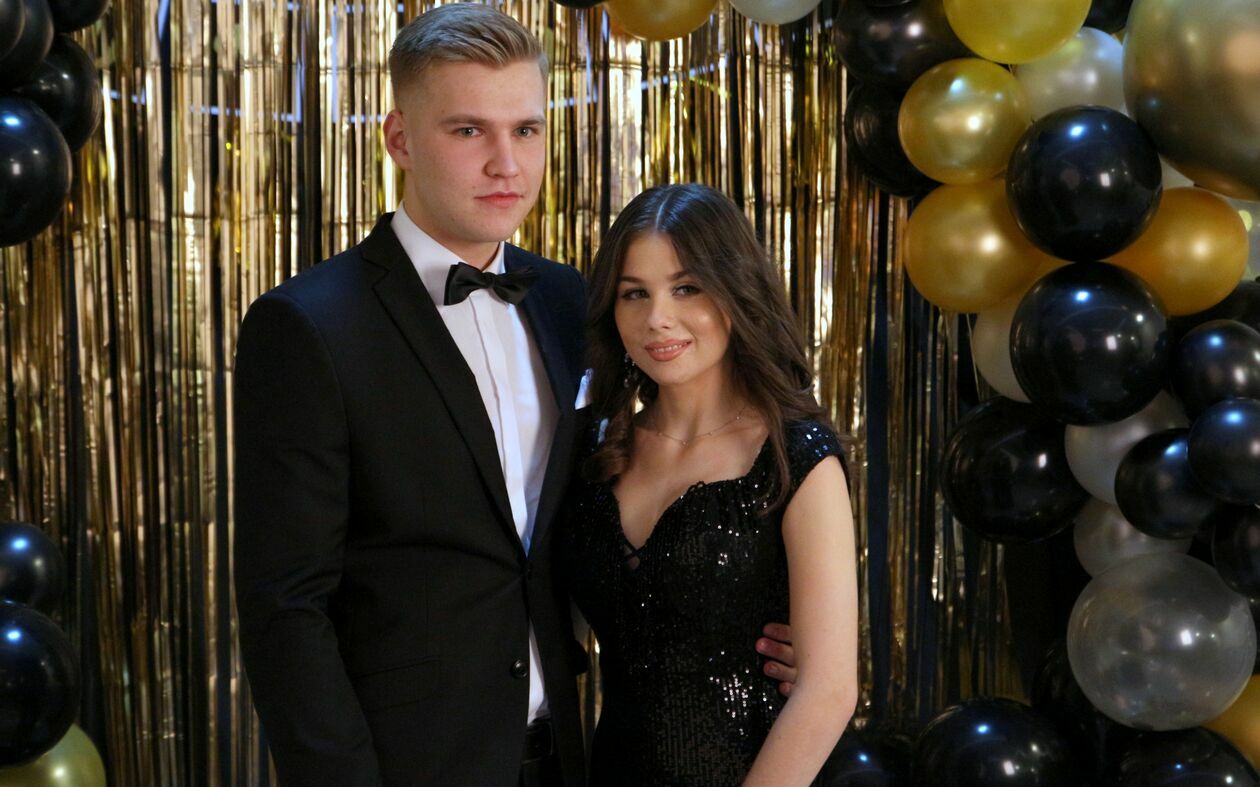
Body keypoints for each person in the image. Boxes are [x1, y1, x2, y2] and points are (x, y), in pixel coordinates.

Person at [233, 6, 798, 786]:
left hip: (566, 756)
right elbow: (285, 606)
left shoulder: (570, 301)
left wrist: (743, 629)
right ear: (399, 139)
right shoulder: (307, 325)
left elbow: (626, 496)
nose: (506, 163)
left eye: (526, 130)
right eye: (469, 131)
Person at [560, 183, 859, 786]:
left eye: (686, 287)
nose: (657, 318)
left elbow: (827, 692)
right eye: (634, 293)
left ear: (735, 291)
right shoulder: (592, 455)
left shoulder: (794, 458)